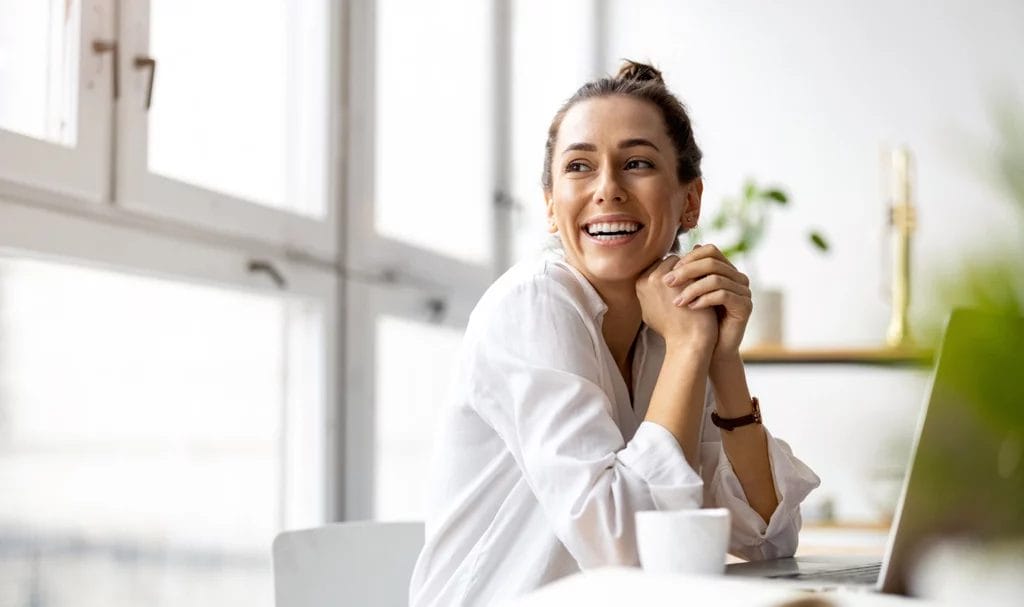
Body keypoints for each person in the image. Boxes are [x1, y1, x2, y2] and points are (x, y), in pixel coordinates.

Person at [408, 60, 820, 607]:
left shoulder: (669, 325)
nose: (607, 189)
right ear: (552, 206)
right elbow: (623, 549)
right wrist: (690, 349)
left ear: (690, 201)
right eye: (579, 166)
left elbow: (769, 538)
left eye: (637, 163)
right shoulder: (534, 305)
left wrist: (721, 358)